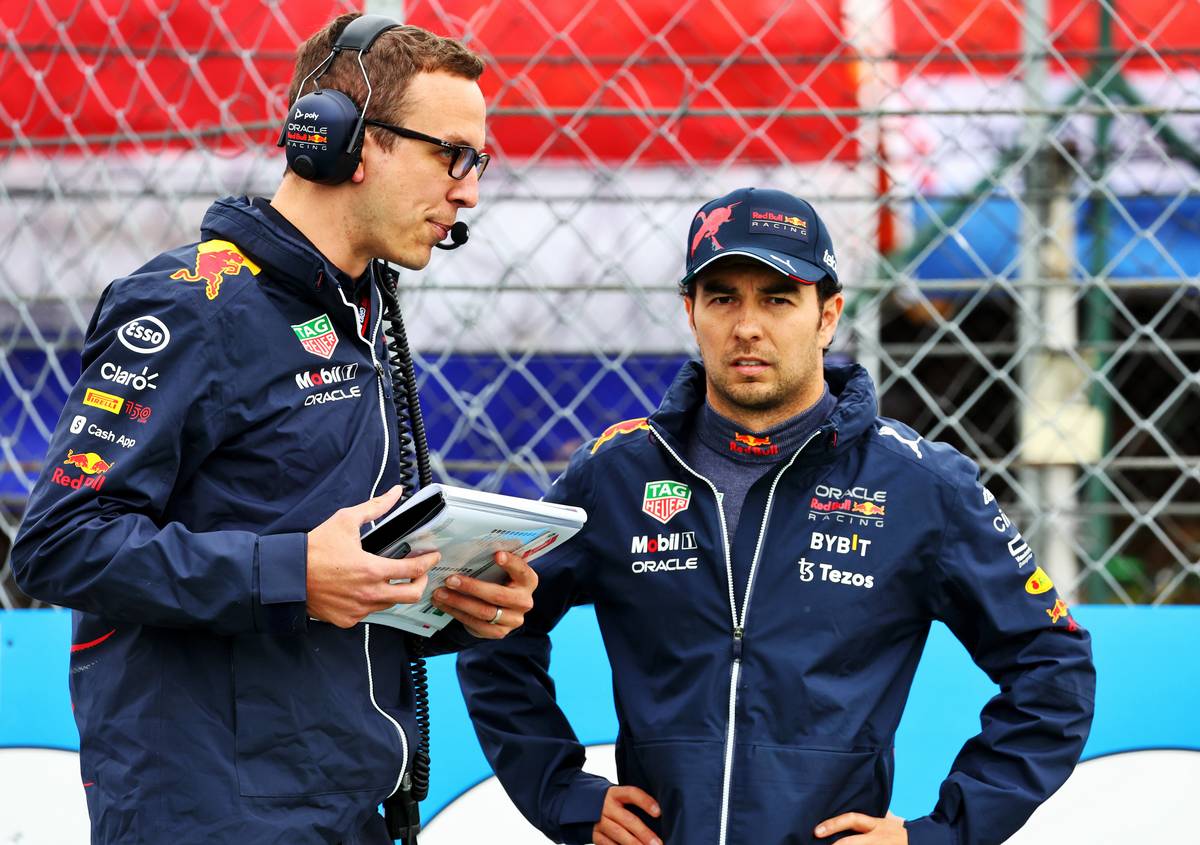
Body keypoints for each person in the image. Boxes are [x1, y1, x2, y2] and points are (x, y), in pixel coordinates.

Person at [11, 13, 537, 844]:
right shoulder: (190, 303)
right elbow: (57, 541)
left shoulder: (360, 312)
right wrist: (291, 571)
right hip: (210, 816)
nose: (469, 190)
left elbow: (317, 577)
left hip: (343, 803)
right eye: (452, 155)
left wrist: (446, 601)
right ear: (339, 140)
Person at [457, 187, 1096, 845]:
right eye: (723, 296)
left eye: (778, 297)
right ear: (690, 310)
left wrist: (941, 834)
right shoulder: (615, 474)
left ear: (828, 315)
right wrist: (564, 791)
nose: (747, 327)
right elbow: (490, 627)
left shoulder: (920, 484)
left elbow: (1054, 666)